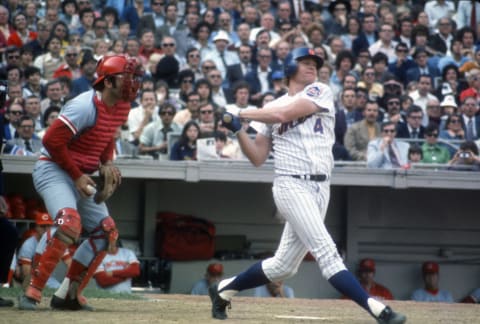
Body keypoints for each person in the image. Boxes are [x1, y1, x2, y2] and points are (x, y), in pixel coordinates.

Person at [209, 47, 406, 324]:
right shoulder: (269, 109)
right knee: (327, 252)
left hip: (321, 187)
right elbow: (257, 157)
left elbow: (282, 114)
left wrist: (240, 113)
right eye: (305, 62)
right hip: (290, 186)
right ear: (290, 67)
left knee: (283, 267)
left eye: (315, 62)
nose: (312, 66)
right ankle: (378, 311)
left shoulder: (319, 91)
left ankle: (222, 289)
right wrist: (238, 131)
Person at [18, 55, 144, 311]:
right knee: (68, 223)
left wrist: (106, 162)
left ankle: (68, 295)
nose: (133, 82)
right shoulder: (83, 105)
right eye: (127, 76)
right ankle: (32, 292)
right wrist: (76, 175)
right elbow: (51, 142)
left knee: (106, 232)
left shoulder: (122, 105)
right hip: (53, 168)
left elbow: (107, 134)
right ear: (108, 82)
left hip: (81, 173)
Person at [17, 212, 70, 290]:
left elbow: (69, 263)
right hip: (33, 278)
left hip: (50, 278)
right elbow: (26, 272)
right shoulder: (28, 244)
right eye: (42, 226)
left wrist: (68, 283)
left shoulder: (57, 242)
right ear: (36, 227)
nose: (45, 229)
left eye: (48, 226)